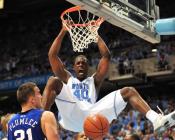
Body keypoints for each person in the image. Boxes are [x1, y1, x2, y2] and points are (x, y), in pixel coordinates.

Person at [42, 23, 175, 133]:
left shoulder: (94, 80)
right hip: (71, 115)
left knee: (129, 91)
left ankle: (156, 120)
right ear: (74, 67)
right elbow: (52, 56)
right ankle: (39, 121)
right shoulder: (68, 78)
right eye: (78, 63)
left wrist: (96, 34)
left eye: (84, 63)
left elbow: (106, 56)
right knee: (53, 81)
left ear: (88, 67)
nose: (81, 65)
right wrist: (63, 31)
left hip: (91, 113)